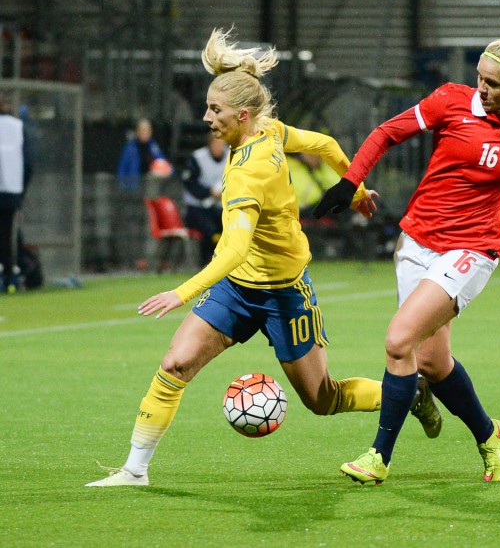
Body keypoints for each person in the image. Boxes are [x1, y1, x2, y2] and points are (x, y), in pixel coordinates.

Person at [86, 27, 381, 487]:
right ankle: (134, 470)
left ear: (242, 115)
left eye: (215, 110)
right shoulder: (268, 131)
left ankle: (411, 391)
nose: (206, 117)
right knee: (174, 365)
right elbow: (325, 146)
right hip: (237, 288)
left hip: (284, 292)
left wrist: (181, 292)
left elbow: (237, 246)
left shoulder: (249, 172)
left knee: (322, 399)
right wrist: (356, 190)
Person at [314, 32, 500, 484]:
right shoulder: (450, 101)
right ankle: (489, 434)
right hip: (418, 241)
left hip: (473, 248)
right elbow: (386, 133)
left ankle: (379, 457)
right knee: (431, 362)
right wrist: (348, 183)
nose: (483, 89)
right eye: (479, 79)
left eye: (493, 84)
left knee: (398, 341)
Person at [0, 95, 33, 294]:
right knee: (6, 237)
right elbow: (28, 163)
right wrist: (20, 193)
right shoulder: (17, 126)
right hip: (11, 192)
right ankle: (10, 278)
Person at [181, 131, 229, 266]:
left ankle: (223, 263)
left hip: (220, 206)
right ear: (210, 144)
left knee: (227, 226)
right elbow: (189, 183)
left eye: (222, 143)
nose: (219, 147)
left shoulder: (231, 156)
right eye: (216, 143)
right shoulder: (197, 158)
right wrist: (208, 192)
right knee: (209, 230)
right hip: (198, 207)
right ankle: (206, 263)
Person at [116, 118, 171, 192]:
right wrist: (123, 188)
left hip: (150, 188)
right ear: (137, 131)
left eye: (147, 130)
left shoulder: (153, 147)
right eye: (142, 130)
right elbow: (122, 170)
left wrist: (166, 171)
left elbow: (164, 164)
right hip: (133, 189)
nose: (145, 132)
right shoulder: (130, 148)